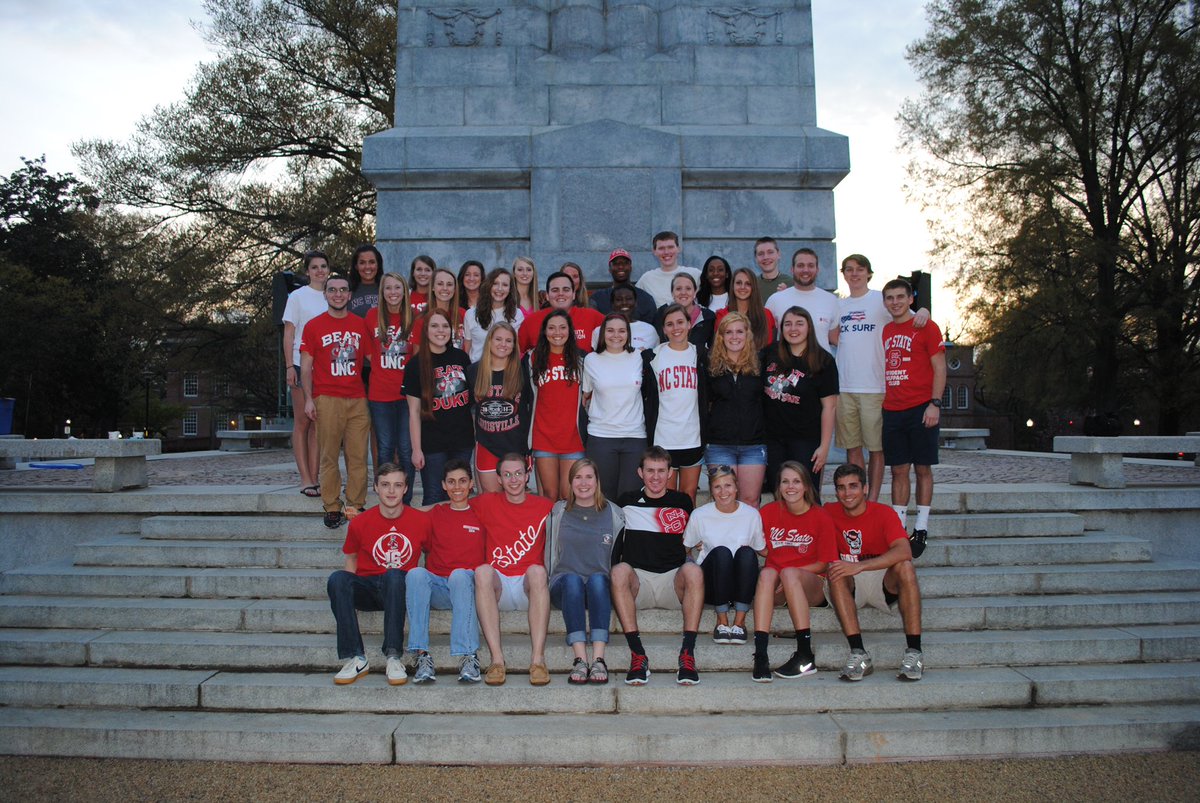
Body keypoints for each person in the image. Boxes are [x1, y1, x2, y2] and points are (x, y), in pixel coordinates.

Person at [829, 254, 930, 503]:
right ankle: (858, 496)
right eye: (849, 269)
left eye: (860, 269)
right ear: (843, 274)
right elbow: (832, 335)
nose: (854, 274)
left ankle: (872, 499)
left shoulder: (880, 300)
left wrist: (925, 309)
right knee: (852, 448)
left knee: (876, 449)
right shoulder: (839, 305)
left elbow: (914, 317)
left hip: (875, 386)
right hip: (845, 386)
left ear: (869, 273)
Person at [327, 463, 430, 686]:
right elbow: (351, 559)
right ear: (375, 487)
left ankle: (393, 656)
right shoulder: (360, 522)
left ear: (405, 489)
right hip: (368, 587)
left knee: (395, 575)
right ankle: (356, 657)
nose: (391, 491)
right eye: (385, 485)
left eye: (397, 485)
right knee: (337, 579)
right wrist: (346, 598)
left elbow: (432, 556)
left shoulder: (421, 521)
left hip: (399, 589)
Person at [611, 446, 703, 685]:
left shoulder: (682, 502)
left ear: (670, 473)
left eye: (661, 471)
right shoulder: (626, 501)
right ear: (640, 472)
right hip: (638, 583)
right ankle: (638, 655)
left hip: (672, 582)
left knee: (693, 570)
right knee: (619, 571)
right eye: (650, 470)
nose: (655, 476)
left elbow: (693, 541)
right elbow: (614, 542)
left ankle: (687, 654)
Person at [825, 463, 924, 681]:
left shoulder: (883, 513)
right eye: (841, 487)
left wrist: (860, 565)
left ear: (865, 488)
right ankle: (859, 653)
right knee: (836, 570)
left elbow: (905, 550)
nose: (847, 493)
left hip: (882, 581)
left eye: (853, 486)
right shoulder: (828, 512)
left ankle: (915, 652)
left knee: (905, 566)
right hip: (849, 583)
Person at [473, 453, 556, 686]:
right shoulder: (487, 502)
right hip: (498, 587)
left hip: (528, 588)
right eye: (507, 475)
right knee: (482, 571)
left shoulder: (545, 506)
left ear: (528, 475)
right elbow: (449, 506)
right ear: (499, 479)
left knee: (538, 571)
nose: (513, 479)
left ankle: (538, 660)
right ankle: (497, 661)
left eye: (519, 473)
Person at [751, 460, 838, 682]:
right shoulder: (768, 512)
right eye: (785, 482)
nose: (791, 487)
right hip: (779, 585)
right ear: (778, 487)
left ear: (807, 486)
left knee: (787, 573)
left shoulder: (821, 516)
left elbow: (824, 563)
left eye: (796, 481)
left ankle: (805, 654)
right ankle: (761, 656)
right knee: (766, 573)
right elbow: (749, 540)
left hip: (812, 584)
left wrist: (791, 572)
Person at [300, 273, 374, 528]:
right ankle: (332, 506)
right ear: (326, 294)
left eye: (343, 290)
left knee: (357, 456)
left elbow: (373, 360)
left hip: (357, 398)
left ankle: (355, 504)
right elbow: (306, 366)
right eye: (333, 290)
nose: (338, 294)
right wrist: (309, 399)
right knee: (329, 456)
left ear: (350, 295)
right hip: (327, 397)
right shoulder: (314, 326)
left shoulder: (360, 324)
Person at [404, 458, 485, 684]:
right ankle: (421, 656)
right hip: (440, 587)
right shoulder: (435, 513)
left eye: (462, 481)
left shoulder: (481, 512)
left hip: (470, 587)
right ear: (443, 485)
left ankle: (468, 656)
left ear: (471, 484)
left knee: (460, 574)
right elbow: (404, 515)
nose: (457, 487)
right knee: (415, 574)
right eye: (451, 482)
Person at [882, 278, 946, 559]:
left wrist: (935, 404)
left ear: (911, 299)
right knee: (897, 470)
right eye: (890, 298)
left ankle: (921, 527)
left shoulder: (926, 326)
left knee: (922, 468)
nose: (895, 302)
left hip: (921, 407)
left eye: (900, 297)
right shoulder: (886, 330)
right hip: (893, 408)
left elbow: (940, 367)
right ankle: (899, 527)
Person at [546, 458, 625, 684]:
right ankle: (580, 659)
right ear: (570, 482)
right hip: (565, 587)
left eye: (589, 477)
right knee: (572, 580)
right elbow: (549, 550)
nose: (583, 483)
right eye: (578, 477)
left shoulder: (614, 513)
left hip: (598, 590)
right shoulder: (558, 511)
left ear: (597, 481)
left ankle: (598, 659)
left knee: (599, 580)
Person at [683, 465, 765, 648]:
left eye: (728, 485)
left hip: (740, 586)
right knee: (722, 552)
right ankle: (721, 621)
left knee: (746, 553)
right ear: (711, 490)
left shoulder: (751, 515)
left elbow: (762, 549)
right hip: (711, 585)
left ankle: (739, 623)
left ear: (736, 487)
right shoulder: (700, 515)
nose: (723, 491)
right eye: (717, 487)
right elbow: (685, 547)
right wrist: (690, 563)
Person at [762, 306, 839, 493]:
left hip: (805, 440)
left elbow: (829, 407)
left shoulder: (823, 361)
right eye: (787, 324)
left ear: (809, 328)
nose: (793, 329)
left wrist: (824, 446)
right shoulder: (769, 353)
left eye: (799, 323)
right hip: (772, 439)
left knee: (806, 494)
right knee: (779, 492)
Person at [404, 309, 473, 505]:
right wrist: (416, 449)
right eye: (434, 326)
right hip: (432, 443)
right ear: (426, 331)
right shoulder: (415, 365)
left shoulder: (461, 358)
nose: (440, 330)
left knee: (459, 495)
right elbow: (414, 412)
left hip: (462, 440)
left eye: (444, 326)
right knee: (434, 495)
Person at [644, 304, 708, 503]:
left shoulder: (701, 355)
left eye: (680, 322)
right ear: (663, 329)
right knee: (666, 498)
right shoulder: (652, 357)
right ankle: (669, 536)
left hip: (692, 437)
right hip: (664, 438)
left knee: (689, 497)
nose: (675, 328)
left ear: (689, 324)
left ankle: (686, 535)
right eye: (669, 324)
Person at [582, 313, 649, 501]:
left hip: (634, 436)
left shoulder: (639, 356)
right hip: (601, 436)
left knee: (631, 497)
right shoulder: (591, 360)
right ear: (603, 333)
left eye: (621, 330)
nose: (616, 335)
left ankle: (627, 532)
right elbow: (584, 395)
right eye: (610, 330)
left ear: (628, 334)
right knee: (603, 497)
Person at [281, 250, 329, 497]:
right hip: (301, 364)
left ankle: (315, 476)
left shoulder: (333, 295)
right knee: (302, 421)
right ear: (307, 271)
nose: (319, 270)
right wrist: (290, 365)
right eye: (314, 267)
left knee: (317, 425)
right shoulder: (297, 297)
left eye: (323, 266)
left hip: (326, 369)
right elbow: (289, 332)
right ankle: (305, 478)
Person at [706, 312, 767, 505]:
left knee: (750, 500)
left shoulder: (760, 363)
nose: (734, 336)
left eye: (739, 331)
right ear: (721, 337)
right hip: (719, 445)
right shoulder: (710, 365)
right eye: (728, 332)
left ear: (747, 334)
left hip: (754, 445)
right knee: (725, 500)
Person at [525, 309, 586, 500]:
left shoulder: (581, 359)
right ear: (544, 331)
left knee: (568, 496)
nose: (557, 332)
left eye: (562, 327)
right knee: (549, 494)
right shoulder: (532, 358)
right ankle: (549, 531)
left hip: (573, 438)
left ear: (570, 331)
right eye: (551, 328)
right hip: (544, 436)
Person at [365, 271, 414, 502]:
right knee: (385, 448)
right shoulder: (372, 316)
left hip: (407, 396)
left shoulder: (414, 317)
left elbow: (417, 356)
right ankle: (385, 499)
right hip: (380, 394)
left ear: (404, 291)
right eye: (388, 288)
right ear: (382, 292)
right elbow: (368, 353)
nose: (393, 293)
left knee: (406, 449)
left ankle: (404, 501)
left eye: (397, 288)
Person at [467, 323, 532, 494]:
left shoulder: (523, 371)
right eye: (498, 339)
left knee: (515, 500)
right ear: (489, 341)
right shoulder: (474, 371)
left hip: (516, 445)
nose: (503, 344)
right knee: (491, 501)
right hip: (488, 444)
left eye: (509, 341)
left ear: (514, 345)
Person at [765, 248, 838, 351]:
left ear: (817, 269)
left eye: (811, 266)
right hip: (787, 365)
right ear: (792, 269)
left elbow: (836, 338)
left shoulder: (831, 300)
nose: (805, 270)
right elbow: (764, 337)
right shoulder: (775, 300)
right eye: (800, 265)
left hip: (822, 365)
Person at [518, 271, 604, 355]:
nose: (561, 294)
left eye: (566, 290)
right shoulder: (531, 321)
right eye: (555, 290)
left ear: (573, 294)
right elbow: (517, 352)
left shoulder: (592, 317)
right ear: (547, 295)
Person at [463, 267, 525, 362]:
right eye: (495, 283)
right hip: (476, 370)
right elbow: (467, 349)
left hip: (505, 370)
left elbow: (516, 349)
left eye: (504, 285)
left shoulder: (516, 314)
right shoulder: (471, 314)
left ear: (510, 289)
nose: (500, 289)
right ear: (488, 286)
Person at [590, 248, 658, 323]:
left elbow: (651, 327)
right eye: (616, 264)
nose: (621, 267)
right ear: (609, 269)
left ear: (631, 267)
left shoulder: (646, 298)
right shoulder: (598, 298)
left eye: (625, 263)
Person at [716, 267, 776, 351]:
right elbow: (719, 348)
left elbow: (771, 347)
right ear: (732, 286)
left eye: (748, 284)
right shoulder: (722, 315)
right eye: (738, 283)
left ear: (754, 287)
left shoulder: (766, 314)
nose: (743, 287)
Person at [636, 230, 700, 307]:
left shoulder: (695, 274)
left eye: (670, 247)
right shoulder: (647, 279)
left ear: (678, 249)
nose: (666, 252)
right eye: (661, 248)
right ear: (654, 251)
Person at [652, 272, 715, 350]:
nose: (683, 293)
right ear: (672, 293)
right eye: (678, 289)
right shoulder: (661, 313)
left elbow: (712, 348)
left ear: (695, 292)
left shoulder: (708, 317)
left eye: (688, 288)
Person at [409, 268, 465, 350]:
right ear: (432, 287)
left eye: (449, 284)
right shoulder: (421, 320)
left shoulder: (463, 314)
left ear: (455, 289)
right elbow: (417, 357)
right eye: (440, 284)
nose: (445, 288)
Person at [602, 285, 659, 351]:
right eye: (619, 299)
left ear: (635, 303)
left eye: (629, 299)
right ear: (612, 304)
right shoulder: (602, 329)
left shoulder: (649, 330)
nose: (624, 303)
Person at [348, 244, 383, 318]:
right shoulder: (347, 290)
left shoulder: (387, 289)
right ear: (356, 266)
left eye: (372, 262)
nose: (367, 267)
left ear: (378, 264)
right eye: (362, 263)